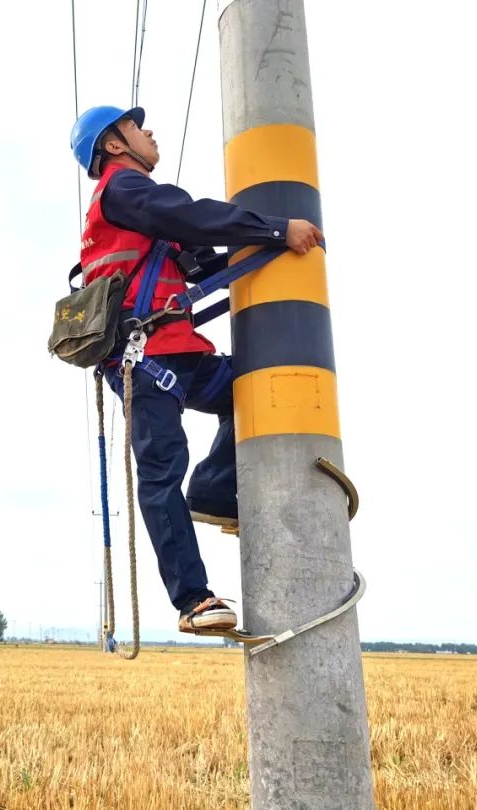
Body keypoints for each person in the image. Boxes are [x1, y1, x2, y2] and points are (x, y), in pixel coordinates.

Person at [69, 106, 323, 635]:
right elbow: (194, 216)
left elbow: (203, 252)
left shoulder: (143, 211)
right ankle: (193, 599)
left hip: (177, 354)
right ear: (114, 145)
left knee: (251, 390)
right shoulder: (124, 192)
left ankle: (212, 486)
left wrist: (273, 249)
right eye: (136, 126)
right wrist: (277, 228)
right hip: (145, 361)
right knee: (160, 473)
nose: (149, 130)